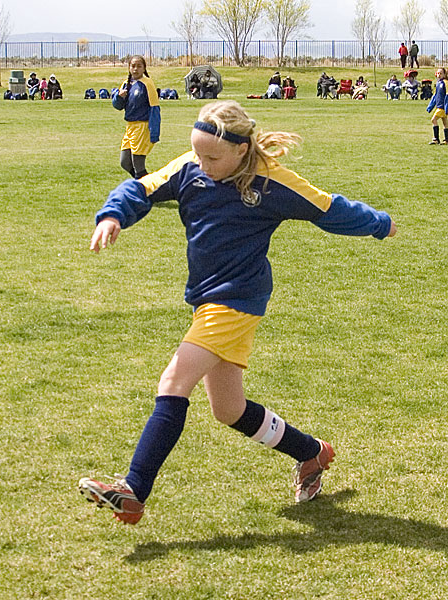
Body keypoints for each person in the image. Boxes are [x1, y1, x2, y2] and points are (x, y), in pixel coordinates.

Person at [78, 99, 397, 525]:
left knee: (174, 381)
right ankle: (311, 452)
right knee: (228, 409)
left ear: (241, 150)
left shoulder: (270, 182)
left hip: (236, 301)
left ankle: (134, 491)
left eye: (212, 157)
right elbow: (141, 189)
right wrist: (113, 215)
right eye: (198, 153)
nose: (202, 164)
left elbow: (328, 208)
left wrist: (379, 223)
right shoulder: (190, 167)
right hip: (207, 299)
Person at [112, 55, 160, 180]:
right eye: (133, 66)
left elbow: (154, 108)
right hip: (130, 127)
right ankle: (148, 185)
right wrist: (119, 97)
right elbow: (118, 106)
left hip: (142, 127)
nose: (135, 69)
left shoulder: (147, 83)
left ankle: (145, 188)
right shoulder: (126, 84)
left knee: (138, 163)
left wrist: (154, 132)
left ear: (144, 68)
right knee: (124, 162)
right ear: (129, 67)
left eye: (139, 66)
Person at [427, 67, 448, 144]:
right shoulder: (438, 83)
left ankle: (436, 139)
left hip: (442, 107)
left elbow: (447, 95)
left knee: (433, 120)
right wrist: (430, 106)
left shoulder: (446, 83)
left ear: (444, 74)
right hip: (439, 106)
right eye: (438, 73)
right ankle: (446, 140)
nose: (439, 75)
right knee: (445, 123)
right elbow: (435, 96)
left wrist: (446, 107)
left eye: (441, 73)